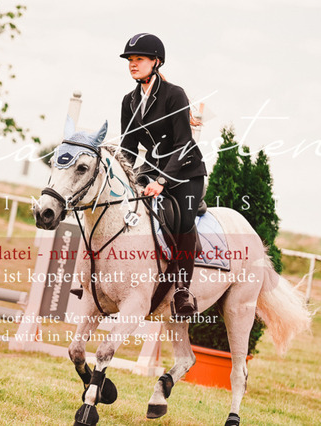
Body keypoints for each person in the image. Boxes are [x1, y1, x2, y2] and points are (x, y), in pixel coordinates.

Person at [119, 33, 207, 317]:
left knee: (183, 219)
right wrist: (121, 175)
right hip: (151, 168)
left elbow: (183, 143)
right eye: (130, 60)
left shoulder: (174, 94)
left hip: (186, 171)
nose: (133, 64)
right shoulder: (129, 101)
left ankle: (182, 289)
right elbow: (128, 147)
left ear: (156, 61)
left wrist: (161, 182)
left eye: (139, 59)